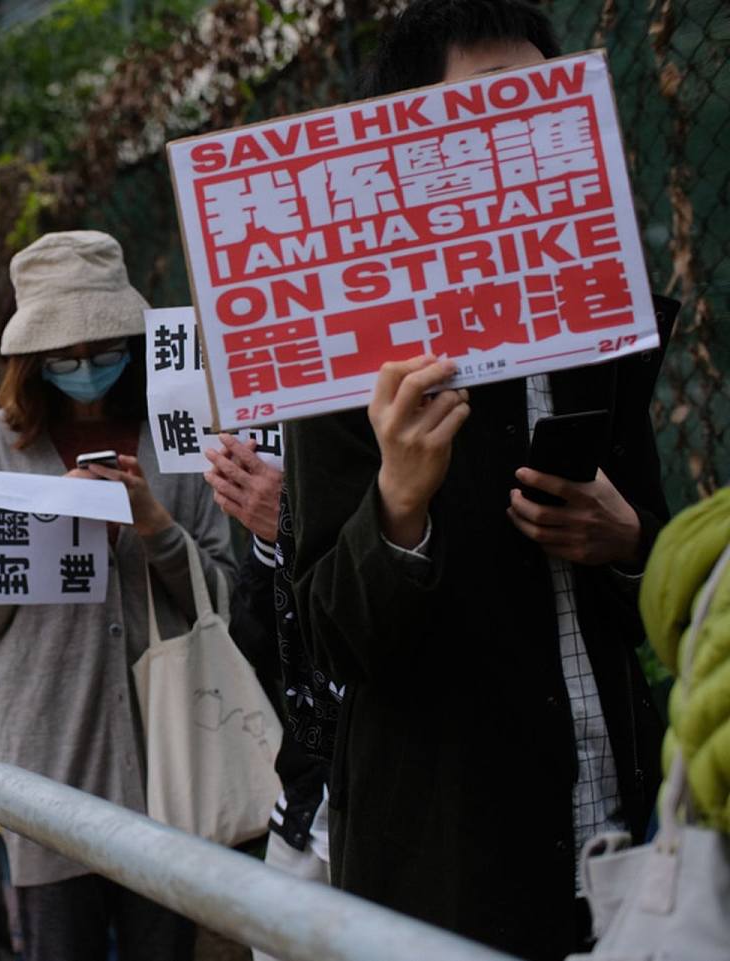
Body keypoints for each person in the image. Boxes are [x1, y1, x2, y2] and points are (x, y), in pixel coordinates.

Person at [285, 3, 669, 958]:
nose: (525, 141)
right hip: (454, 861)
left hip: (625, 814)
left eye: (546, 106)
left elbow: (654, 556)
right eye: (490, 115)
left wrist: (630, 544)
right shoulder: (345, 359)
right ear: (403, 150)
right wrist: (399, 507)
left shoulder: (603, 311)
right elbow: (328, 636)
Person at [0, 230, 234, 961]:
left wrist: (155, 524)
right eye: (63, 355)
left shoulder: (174, 433)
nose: (85, 367)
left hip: (174, 759)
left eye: (105, 346)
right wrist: (40, 523)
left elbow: (224, 593)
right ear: (31, 360)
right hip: (49, 757)